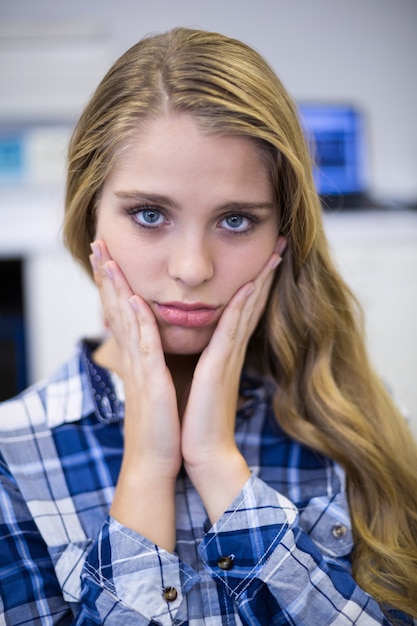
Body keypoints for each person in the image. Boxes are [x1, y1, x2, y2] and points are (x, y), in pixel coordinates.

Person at [0, 26, 416, 626]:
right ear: (89, 214)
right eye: (149, 214)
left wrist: (219, 464)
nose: (192, 269)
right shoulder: (12, 460)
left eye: (237, 221)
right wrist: (145, 466)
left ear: (284, 233)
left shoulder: (359, 424)